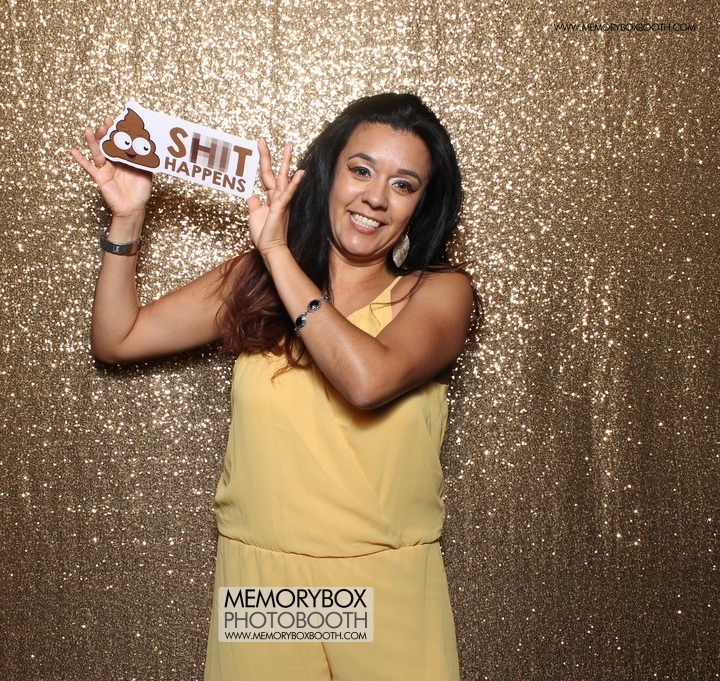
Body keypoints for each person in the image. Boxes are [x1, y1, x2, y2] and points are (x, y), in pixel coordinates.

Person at [71, 93, 480, 681]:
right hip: (265, 583)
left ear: (422, 204)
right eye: (361, 170)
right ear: (326, 174)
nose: (375, 197)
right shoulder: (258, 279)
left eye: (403, 184)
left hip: (384, 581)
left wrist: (278, 252)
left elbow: (368, 381)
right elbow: (119, 338)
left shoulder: (438, 293)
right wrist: (127, 220)